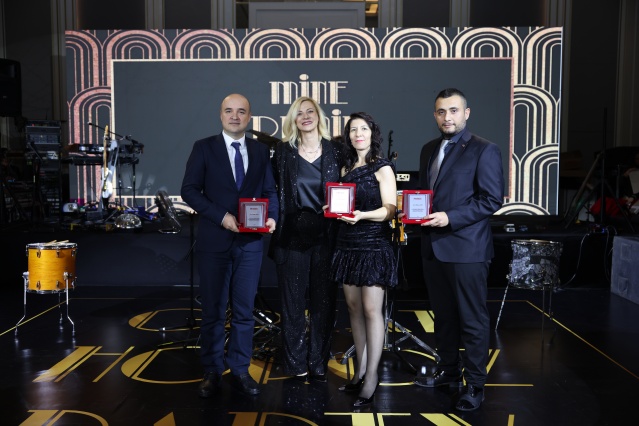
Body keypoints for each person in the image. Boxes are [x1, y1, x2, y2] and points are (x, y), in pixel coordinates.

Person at [410, 88, 504, 411]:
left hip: (467, 251)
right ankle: (448, 371)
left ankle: (475, 385)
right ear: (435, 115)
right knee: (444, 317)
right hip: (433, 248)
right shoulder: (428, 149)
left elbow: (491, 199)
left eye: (453, 111)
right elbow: (426, 195)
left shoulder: (484, 149)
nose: (447, 117)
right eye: (441, 111)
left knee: (472, 320)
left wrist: (450, 217)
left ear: (466, 113)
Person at [181, 93, 278, 398]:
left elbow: (270, 191)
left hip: (250, 244)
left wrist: (272, 217)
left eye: (241, 111)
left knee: (244, 311)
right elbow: (189, 190)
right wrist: (221, 217)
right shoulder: (203, 147)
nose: (235, 116)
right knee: (213, 311)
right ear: (220, 115)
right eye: (229, 111)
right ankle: (212, 370)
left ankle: (240, 369)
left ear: (249, 116)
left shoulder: (260, 151)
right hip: (214, 242)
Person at [269, 96, 344, 382]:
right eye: (299, 113)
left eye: (310, 111)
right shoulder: (283, 152)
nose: (305, 116)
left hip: (327, 236)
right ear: (293, 120)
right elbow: (273, 190)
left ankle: (318, 361)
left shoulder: (336, 151)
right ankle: (295, 363)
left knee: (324, 304)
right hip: (292, 235)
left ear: (319, 116)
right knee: (292, 304)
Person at [331, 112, 397, 408]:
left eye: (364, 129)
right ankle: (359, 371)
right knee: (354, 309)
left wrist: (362, 216)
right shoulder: (345, 168)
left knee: (372, 310)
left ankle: (372, 376)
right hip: (347, 243)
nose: (358, 134)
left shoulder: (382, 167)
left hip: (373, 244)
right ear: (348, 136)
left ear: (373, 133)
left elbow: (390, 210)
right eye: (353, 130)